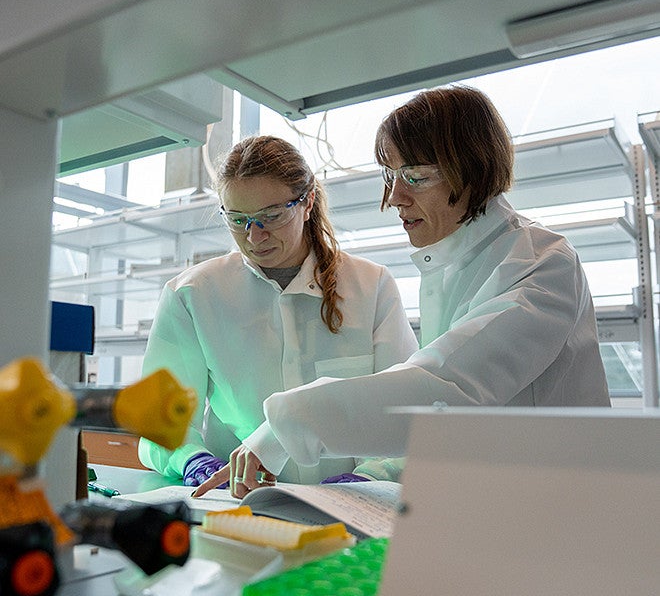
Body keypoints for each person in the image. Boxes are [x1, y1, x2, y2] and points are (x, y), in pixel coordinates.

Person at [193, 85, 610, 500]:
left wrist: (283, 429)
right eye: (390, 175)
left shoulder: (542, 263)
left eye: (415, 176)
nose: (394, 197)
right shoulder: (454, 267)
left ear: (474, 168)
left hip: (556, 508)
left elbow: (445, 385)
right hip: (491, 506)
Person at [138, 135, 419, 487]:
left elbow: (403, 412)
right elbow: (159, 424)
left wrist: (368, 478)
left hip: (352, 505)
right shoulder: (192, 295)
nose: (255, 237)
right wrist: (192, 459)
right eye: (238, 220)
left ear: (308, 202)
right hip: (239, 500)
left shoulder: (371, 285)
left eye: (271, 216)